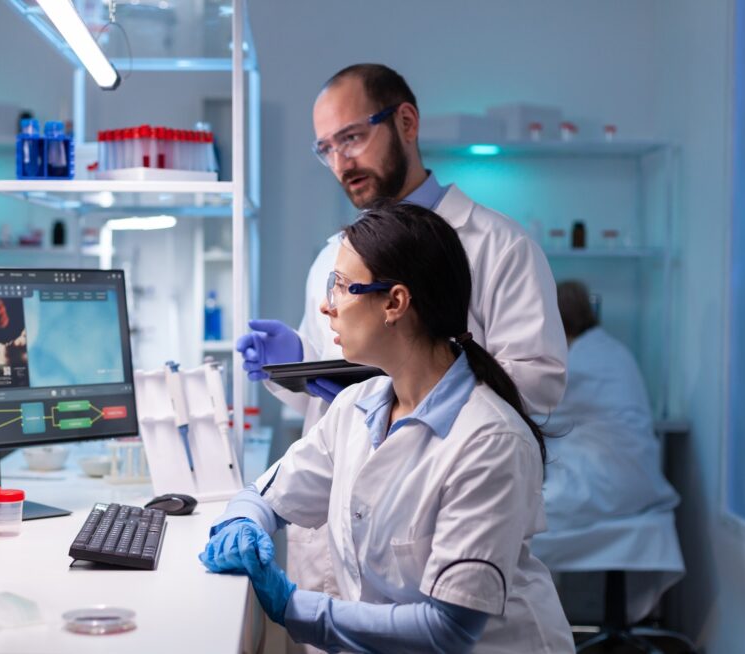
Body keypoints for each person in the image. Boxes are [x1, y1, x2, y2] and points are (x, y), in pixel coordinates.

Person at [236, 63, 568, 614]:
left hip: (435, 521)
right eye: (325, 148)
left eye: (352, 137)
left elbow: (536, 386)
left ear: (406, 122)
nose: (341, 161)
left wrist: (407, 385)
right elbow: (333, 396)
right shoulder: (334, 253)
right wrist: (299, 365)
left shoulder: (498, 246)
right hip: (339, 534)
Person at [203, 202, 574, 653]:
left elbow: (448, 629)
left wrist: (291, 607)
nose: (327, 306)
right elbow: (267, 494)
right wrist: (244, 521)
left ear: (395, 302)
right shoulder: (358, 406)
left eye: (341, 286)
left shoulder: (489, 441)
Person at [530, 281, 684, 623]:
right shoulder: (608, 349)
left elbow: (534, 413)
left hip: (609, 484)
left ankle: (532, 630)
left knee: (521, 523)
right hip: (630, 478)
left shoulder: (579, 361)